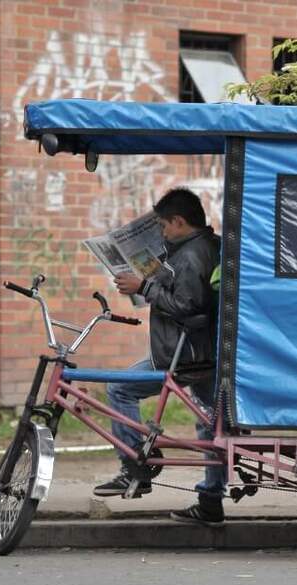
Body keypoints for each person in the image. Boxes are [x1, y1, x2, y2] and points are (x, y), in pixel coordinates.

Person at [92, 187, 228, 526]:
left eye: (165, 227)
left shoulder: (192, 256)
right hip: (207, 352)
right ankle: (211, 501)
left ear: (180, 222)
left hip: (183, 354)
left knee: (119, 390)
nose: (163, 233)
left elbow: (187, 306)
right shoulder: (207, 246)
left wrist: (143, 288)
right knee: (212, 424)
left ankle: (136, 466)